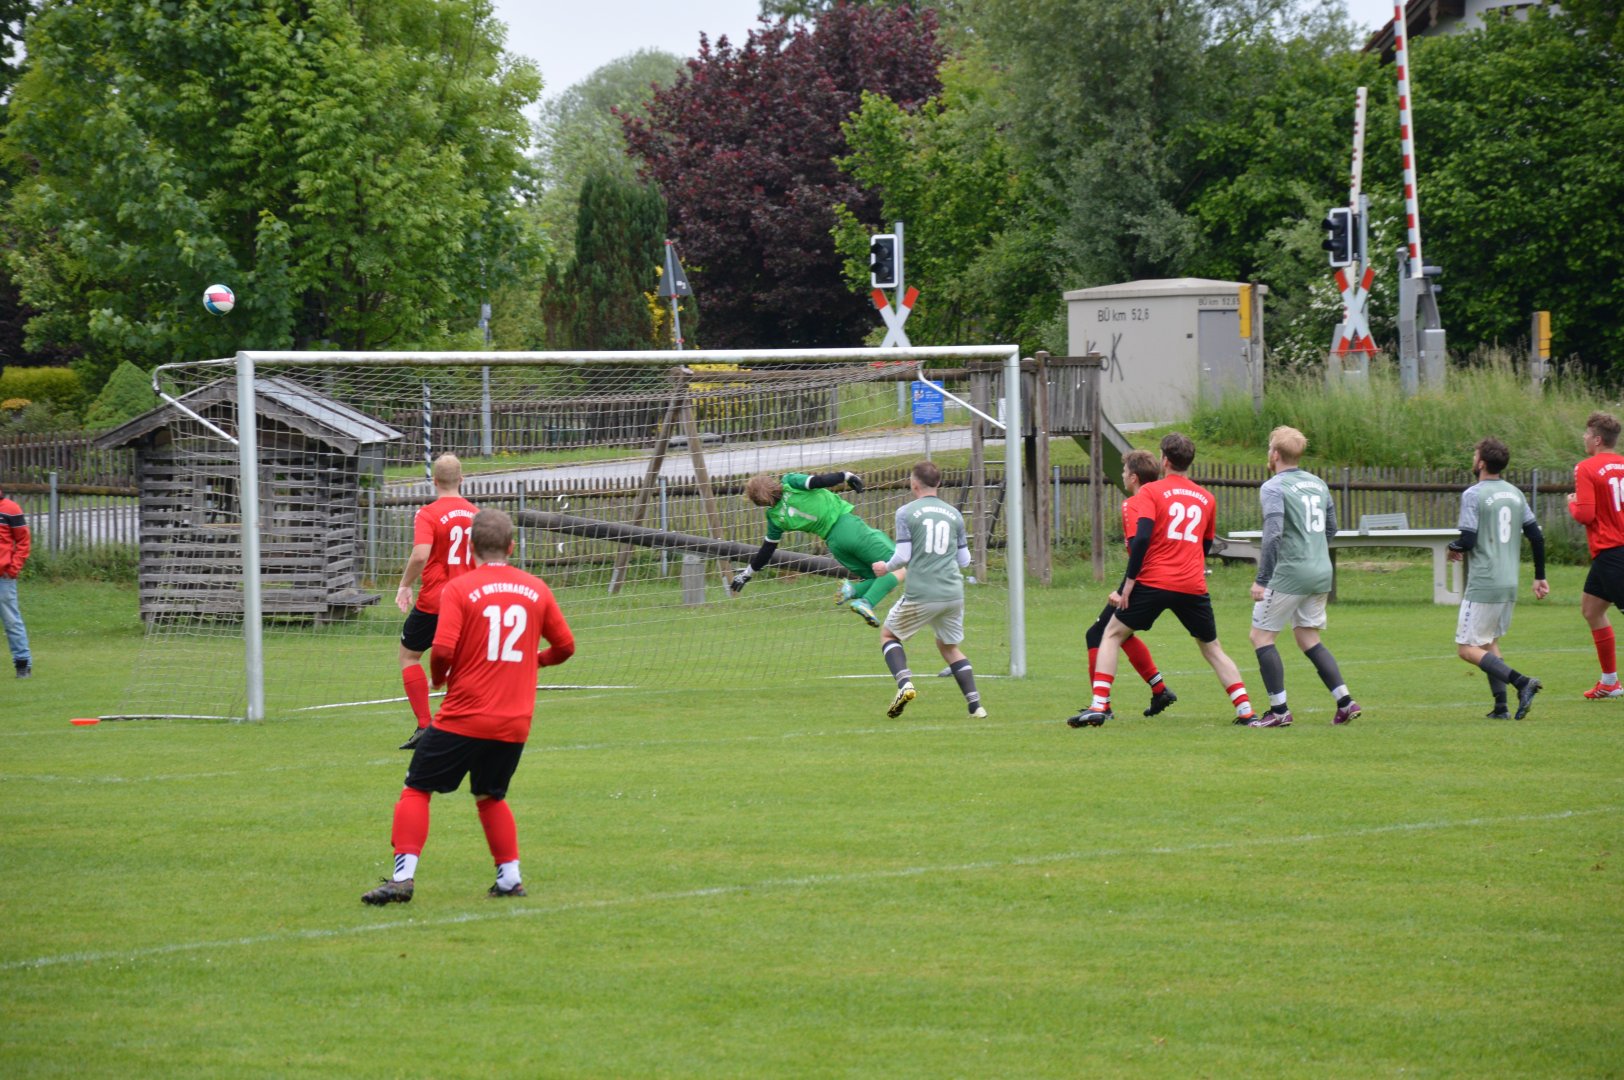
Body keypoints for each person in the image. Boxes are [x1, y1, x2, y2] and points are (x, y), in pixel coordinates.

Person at [362, 509, 575, 905]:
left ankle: (402, 878)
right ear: (512, 547)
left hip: (464, 715)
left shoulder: (459, 590)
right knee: (490, 795)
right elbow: (566, 647)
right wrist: (536, 661)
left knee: (416, 788)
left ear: (472, 547)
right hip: (514, 721)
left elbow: (442, 649)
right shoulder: (537, 589)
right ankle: (510, 878)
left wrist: (439, 677)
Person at [1067, 432, 1256, 728]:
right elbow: (1206, 543)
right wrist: (1193, 565)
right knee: (1212, 648)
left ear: (1165, 460)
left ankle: (1100, 705)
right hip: (1192, 583)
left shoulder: (1151, 492)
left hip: (1154, 580)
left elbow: (1142, 538)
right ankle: (1246, 711)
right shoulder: (1207, 498)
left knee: (1111, 634)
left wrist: (1130, 582)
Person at [1246, 426, 1361, 728]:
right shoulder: (1318, 483)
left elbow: (1273, 534)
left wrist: (1262, 578)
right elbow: (1331, 528)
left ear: (1274, 454)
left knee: (1261, 637)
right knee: (1307, 637)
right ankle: (1346, 702)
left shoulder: (1273, 487)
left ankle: (1279, 711)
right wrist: (1312, 550)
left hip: (1290, 572)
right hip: (1320, 570)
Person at [868, 461, 984, 720]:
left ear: (914, 484)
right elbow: (965, 561)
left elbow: (903, 555)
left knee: (888, 635)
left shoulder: (905, 512)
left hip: (922, 592)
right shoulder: (954, 514)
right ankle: (976, 706)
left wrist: (885, 567)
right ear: (939, 483)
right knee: (948, 646)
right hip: (953, 593)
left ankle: (904, 685)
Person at [1450, 437, 1547, 719]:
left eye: (1475, 455)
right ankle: (1501, 707)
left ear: (1481, 463)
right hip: (1509, 582)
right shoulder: (1515, 494)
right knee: (1488, 641)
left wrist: (1453, 547)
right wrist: (1539, 576)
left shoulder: (1473, 494)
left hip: (1485, 581)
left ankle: (1521, 682)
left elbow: (1468, 540)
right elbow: (1536, 536)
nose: (1473, 460)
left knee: (1466, 649)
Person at [732, 470, 903, 627]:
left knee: (880, 577)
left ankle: (852, 590)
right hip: (847, 526)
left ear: (761, 503)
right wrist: (847, 476)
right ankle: (865, 603)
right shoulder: (790, 482)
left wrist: (746, 573)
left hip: (834, 544)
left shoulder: (774, 517)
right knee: (897, 566)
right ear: (770, 481)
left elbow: (767, 550)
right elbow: (819, 481)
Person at [1084, 450, 1177, 718]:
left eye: (1124, 471)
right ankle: (1159, 690)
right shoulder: (1162, 499)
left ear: (1134, 478)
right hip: (1166, 577)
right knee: (1121, 634)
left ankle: (1102, 705)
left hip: (1144, 579)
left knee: (1098, 634)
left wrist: (1123, 588)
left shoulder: (1134, 504)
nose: (1122, 475)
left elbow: (1140, 547)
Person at [395, 454, 478, 750]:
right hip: (469, 600)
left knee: (409, 656)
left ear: (435, 481)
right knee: (465, 661)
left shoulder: (427, 514)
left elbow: (420, 555)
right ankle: (464, 724)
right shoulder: (477, 514)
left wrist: (405, 584)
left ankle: (424, 725)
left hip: (436, 601)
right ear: (462, 479)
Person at [1567, 411, 1624, 699]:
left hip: (1613, 551)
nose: (1584, 437)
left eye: (1587, 434)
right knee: (1592, 610)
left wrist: (1571, 504)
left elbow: (1585, 515)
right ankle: (1610, 682)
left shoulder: (1586, 468)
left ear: (1598, 439)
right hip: (1610, 553)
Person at [0, 480, 31, 678]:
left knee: (11, 621)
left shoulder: (11, 509)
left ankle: (23, 664)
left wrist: (13, 568)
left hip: (4, 577)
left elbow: (23, 541)